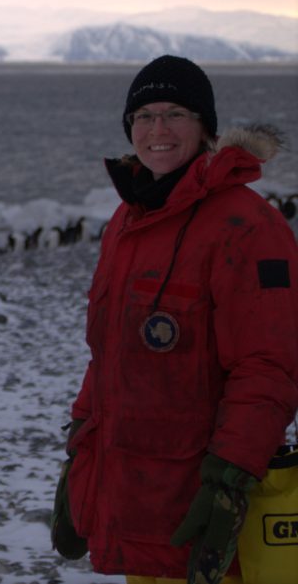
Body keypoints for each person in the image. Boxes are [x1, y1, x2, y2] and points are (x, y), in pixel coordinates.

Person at [51, 55, 298, 584]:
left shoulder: (248, 225)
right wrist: (81, 447)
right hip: (134, 495)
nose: (157, 130)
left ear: (206, 128)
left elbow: (268, 365)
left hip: (201, 502)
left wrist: (229, 476)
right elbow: (110, 353)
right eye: (143, 115)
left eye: (175, 114)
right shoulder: (128, 219)